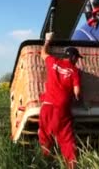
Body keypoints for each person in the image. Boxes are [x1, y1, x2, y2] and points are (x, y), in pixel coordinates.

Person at [38, 32, 82, 168]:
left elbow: (43, 53)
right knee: (66, 139)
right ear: (73, 57)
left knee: (45, 135)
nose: (77, 61)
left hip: (46, 105)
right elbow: (77, 92)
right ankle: (71, 165)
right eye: (77, 58)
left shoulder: (53, 62)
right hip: (61, 108)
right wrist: (78, 99)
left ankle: (44, 162)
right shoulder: (74, 71)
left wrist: (47, 40)